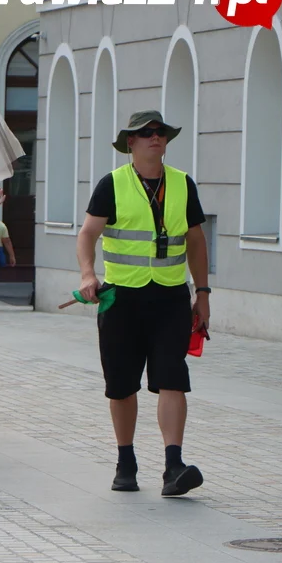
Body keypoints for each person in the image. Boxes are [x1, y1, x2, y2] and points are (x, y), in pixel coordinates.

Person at [76, 110, 210, 497]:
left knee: (172, 375)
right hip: (121, 298)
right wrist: (88, 275)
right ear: (130, 143)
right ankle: (126, 461)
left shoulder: (183, 184)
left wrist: (202, 293)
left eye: (161, 132)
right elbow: (87, 235)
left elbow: (197, 241)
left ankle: (173, 465)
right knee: (121, 385)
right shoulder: (112, 184)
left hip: (170, 297)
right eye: (147, 133)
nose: (156, 137)